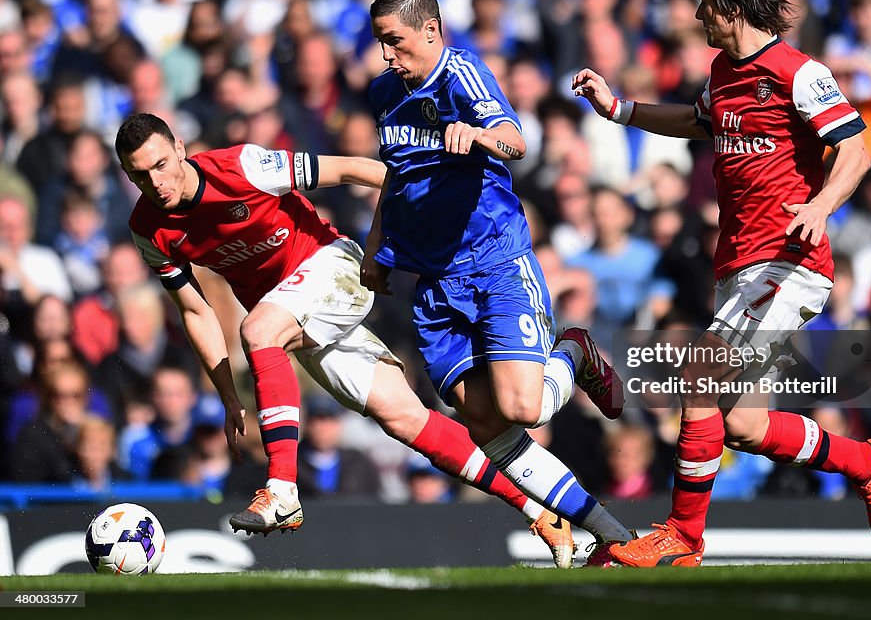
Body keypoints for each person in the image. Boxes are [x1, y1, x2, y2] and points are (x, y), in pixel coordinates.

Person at [114, 112, 575, 567]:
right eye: (139, 174)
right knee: (404, 419)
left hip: (330, 267)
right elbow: (195, 310)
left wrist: (400, 225)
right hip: (292, 312)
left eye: (160, 165)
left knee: (256, 330)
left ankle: (281, 490)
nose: (155, 183)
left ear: (179, 150)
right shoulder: (147, 228)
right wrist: (228, 395)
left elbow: (359, 170)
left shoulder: (244, 167)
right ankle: (539, 509)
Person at [571, 0, 871, 567]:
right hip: (741, 268)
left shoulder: (798, 72)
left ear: (730, 6)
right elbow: (699, 122)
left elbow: (854, 148)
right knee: (742, 424)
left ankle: (683, 539)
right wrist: (620, 110)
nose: (697, 15)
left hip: (788, 263)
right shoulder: (724, 74)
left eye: (704, 3)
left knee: (698, 381)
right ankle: (868, 461)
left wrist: (820, 207)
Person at [361, 0, 635, 565]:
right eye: (381, 42)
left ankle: (576, 354)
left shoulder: (461, 74)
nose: (387, 55)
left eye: (395, 41)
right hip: (433, 284)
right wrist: (377, 246)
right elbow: (396, 178)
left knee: (524, 408)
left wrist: (478, 135)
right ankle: (609, 533)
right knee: (484, 423)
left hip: (494, 264)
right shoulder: (384, 93)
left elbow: (516, 142)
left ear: (431, 31)